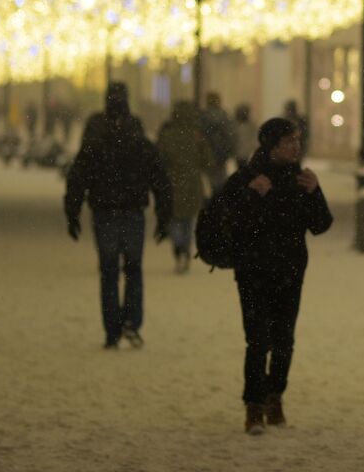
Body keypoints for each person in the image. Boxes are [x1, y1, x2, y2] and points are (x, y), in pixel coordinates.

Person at [224, 118, 333, 434]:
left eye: (298, 140)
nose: (296, 147)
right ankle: (254, 406)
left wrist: (315, 193)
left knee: (284, 340)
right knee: (258, 340)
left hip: (289, 271)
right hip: (254, 272)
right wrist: (251, 195)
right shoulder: (247, 177)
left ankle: (276, 397)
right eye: (289, 141)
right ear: (271, 147)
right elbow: (228, 220)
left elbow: (321, 225)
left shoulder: (301, 180)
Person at [64, 83, 173, 349]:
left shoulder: (95, 139)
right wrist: (163, 214)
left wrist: (73, 212)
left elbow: (78, 178)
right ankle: (131, 323)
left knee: (109, 272)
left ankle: (112, 328)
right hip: (132, 211)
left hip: (105, 211)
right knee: (133, 270)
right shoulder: (139, 139)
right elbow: (159, 179)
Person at [157, 101, 212, 273]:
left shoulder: (167, 135)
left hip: (172, 183)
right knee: (188, 221)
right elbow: (208, 160)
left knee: (174, 219)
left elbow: (160, 159)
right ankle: (185, 249)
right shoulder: (196, 136)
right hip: (192, 184)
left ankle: (178, 248)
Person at [201, 92, 237, 193]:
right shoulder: (225, 116)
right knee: (221, 180)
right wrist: (229, 151)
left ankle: (212, 199)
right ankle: (219, 199)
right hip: (222, 153)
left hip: (208, 152)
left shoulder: (203, 116)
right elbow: (231, 136)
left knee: (209, 180)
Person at [233, 103, 257, 169]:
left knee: (243, 166)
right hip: (240, 150)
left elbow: (254, 138)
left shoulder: (251, 125)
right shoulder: (234, 123)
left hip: (245, 151)